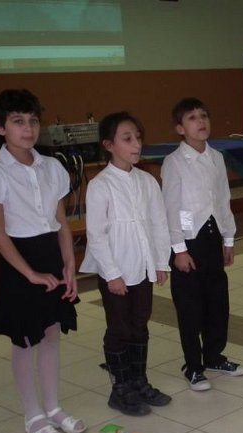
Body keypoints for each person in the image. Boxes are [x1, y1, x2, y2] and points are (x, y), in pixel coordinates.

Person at [0, 89, 83, 433]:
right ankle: (33, 414)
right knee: (25, 339)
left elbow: (61, 222)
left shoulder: (52, 167)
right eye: (18, 121)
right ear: (0, 128)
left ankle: (53, 407)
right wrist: (30, 274)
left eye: (33, 121)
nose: (28, 128)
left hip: (50, 253)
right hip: (19, 260)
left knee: (51, 333)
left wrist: (69, 265)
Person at [80, 112, 172, 416]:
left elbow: (159, 224)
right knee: (119, 328)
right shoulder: (101, 185)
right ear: (109, 145)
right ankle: (120, 388)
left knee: (140, 324)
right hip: (116, 272)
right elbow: (96, 235)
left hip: (143, 268)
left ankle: (139, 381)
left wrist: (161, 262)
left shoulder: (147, 181)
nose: (136, 144)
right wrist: (112, 274)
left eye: (138, 138)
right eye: (127, 139)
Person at [161, 98, 243, 391]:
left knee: (217, 301)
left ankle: (213, 356)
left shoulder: (216, 158)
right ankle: (193, 366)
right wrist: (179, 249)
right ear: (180, 128)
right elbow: (171, 208)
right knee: (190, 306)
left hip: (212, 236)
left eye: (204, 115)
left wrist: (228, 238)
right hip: (188, 241)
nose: (201, 122)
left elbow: (223, 199)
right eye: (192, 118)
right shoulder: (174, 162)